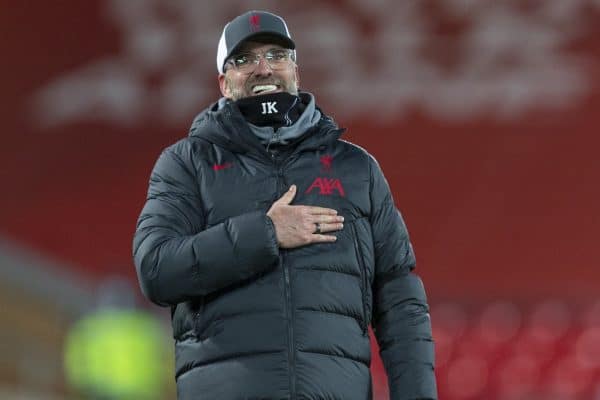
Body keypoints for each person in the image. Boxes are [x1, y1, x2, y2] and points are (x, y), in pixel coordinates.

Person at [133, 10, 437, 400]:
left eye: (277, 55)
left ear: (296, 71)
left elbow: (400, 302)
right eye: (244, 60)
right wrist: (264, 232)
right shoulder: (187, 163)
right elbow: (155, 268)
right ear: (224, 84)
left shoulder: (356, 169)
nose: (264, 68)